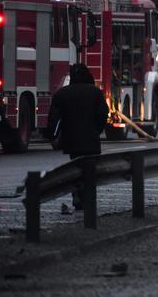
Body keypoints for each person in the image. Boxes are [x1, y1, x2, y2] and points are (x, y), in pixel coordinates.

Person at [48, 63, 109, 209]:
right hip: (91, 140)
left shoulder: (62, 94)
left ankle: (76, 195)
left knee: (75, 169)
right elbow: (103, 114)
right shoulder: (96, 93)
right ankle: (86, 199)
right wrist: (97, 130)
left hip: (71, 140)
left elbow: (53, 119)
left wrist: (53, 137)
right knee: (89, 171)